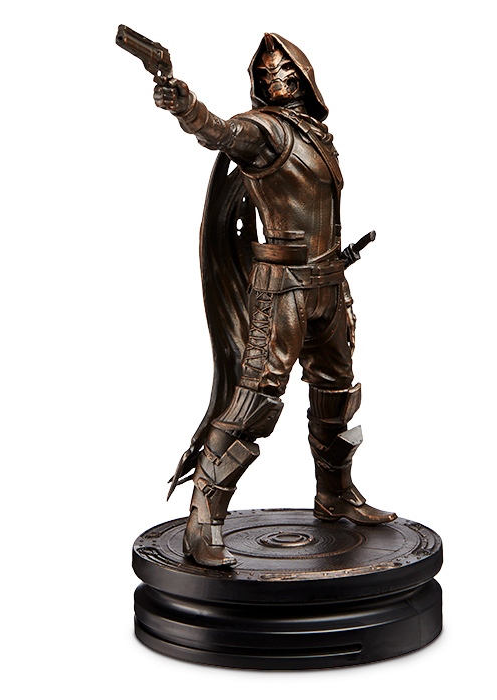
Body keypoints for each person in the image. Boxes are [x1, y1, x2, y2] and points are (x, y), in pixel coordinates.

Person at [157, 34, 395, 567]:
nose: (274, 77)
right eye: (265, 72)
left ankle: (335, 494)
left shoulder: (315, 133)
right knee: (257, 399)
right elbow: (221, 132)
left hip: (330, 284)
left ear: (303, 77)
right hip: (282, 291)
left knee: (335, 393)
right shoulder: (265, 131)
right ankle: (203, 519)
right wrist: (187, 107)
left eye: (283, 69)